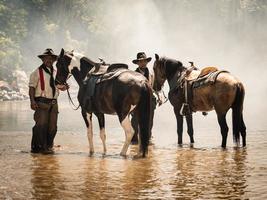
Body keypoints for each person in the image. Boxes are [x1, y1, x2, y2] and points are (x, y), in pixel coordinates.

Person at [29, 48, 67, 154]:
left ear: (54, 60)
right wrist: (32, 101)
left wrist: (64, 87)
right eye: (46, 58)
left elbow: (58, 86)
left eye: (51, 58)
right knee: (41, 125)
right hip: (41, 103)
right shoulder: (36, 72)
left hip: (54, 104)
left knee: (53, 127)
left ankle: (49, 146)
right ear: (42, 60)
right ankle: (39, 148)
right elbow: (31, 88)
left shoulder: (56, 72)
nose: (49, 60)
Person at [131, 52, 158, 144]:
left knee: (150, 119)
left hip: (150, 99)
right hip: (137, 100)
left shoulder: (151, 73)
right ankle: (134, 139)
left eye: (144, 61)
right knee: (135, 120)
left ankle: (148, 137)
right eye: (141, 61)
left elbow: (153, 86)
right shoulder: (133, 74)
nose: (143, 63)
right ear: (137, 63)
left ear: (147, 62)